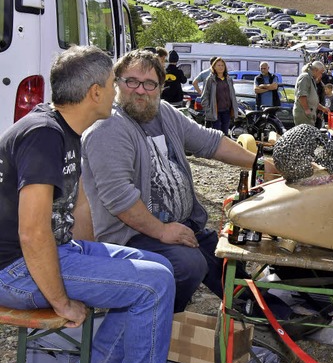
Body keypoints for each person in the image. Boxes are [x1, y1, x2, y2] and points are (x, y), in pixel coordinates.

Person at [0, 46, 175, 363]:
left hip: (55, 252)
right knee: (153, 285)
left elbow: (77, 206)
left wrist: (101, 271)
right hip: (14, 269)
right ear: (95, 92)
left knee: (162, 267)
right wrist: (62, 302)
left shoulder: (66, 129)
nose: (117, 91)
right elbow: (33, 233)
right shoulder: (43, 135)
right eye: (113, 83)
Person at [81, 49, 260, 313]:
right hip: (133, 235)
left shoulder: (163, 112)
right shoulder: (108, 127)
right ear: (116, 83)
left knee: (224, 259)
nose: (140, 90)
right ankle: (152, 321)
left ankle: (271, 318)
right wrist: (163, 231)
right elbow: (120, 199)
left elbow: (210, 142)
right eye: (131, 81)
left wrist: (261, 163)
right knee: (189, 265)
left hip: (178, 225)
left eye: (150, 84)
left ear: (161, 87)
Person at [201, 57, 238, 136]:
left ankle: (224, 148)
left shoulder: (228, 79)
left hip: (227, 111)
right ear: (214, 67)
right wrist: (208, 110)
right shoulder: (210, 79)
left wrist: (234, 108)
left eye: (222, 65)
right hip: (215, 112)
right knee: (217, 134)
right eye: (218, 65)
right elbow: (205, 96)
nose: (221, 67)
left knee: (225, 134)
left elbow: (233, 95)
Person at [293, 61, 330, 127]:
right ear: (316, 70)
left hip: (308, 114)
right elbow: (302, 95)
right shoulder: (305, 77)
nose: (321, 75)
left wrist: (323, 108)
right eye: (321, 73)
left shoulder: (311, 78)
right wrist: (307, 110)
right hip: (304, 114)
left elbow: (312, 99)